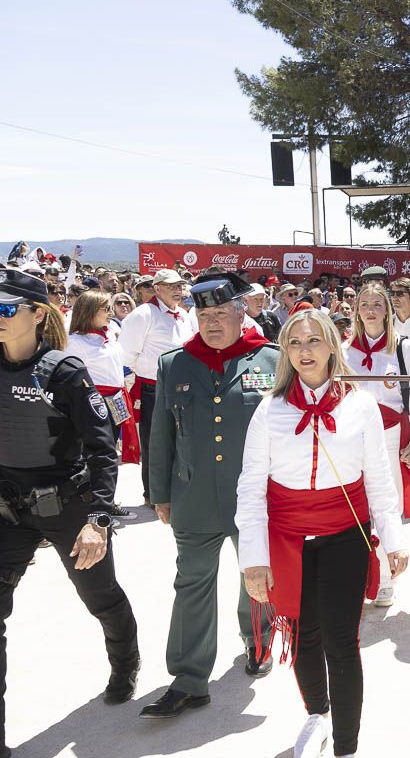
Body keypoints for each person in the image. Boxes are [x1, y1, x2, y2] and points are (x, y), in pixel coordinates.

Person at [0, 269, 139, 757]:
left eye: (7, 309)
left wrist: (98, 521)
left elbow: (102, 449)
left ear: (37, 314)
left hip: (68, 506)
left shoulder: (63, 371)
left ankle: (125, 661)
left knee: (101, 596)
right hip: (6, 510)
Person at [235, 309, 407, 758]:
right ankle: (317, 714)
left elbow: (379, 479)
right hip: (287, 541)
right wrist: (254, 558)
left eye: (313, 341)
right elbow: (251, 488)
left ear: (332, 345)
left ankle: (347, 747)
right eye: (294, 343)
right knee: (302, 633)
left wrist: (394, 538)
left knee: (341, 640)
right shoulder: (268, 410)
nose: (304, 351)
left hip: (344, 535)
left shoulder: (360, 404)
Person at [140, 273, 278, 720]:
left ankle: (257, 641)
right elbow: (160, 434)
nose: (212, 322)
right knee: (191, 583)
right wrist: (159, 492)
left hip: (253, 497)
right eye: (204, 315)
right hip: (192, 495)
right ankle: (188, 679)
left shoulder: (271, 361)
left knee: (254, 576)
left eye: (221, 313)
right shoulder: (174, 364)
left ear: (242, 313)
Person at [345, 282, 410, 608]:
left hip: (390, 433)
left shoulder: (402, 348)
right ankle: (357, 575)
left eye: (377, 304)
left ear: (387, 310)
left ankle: (384, 579)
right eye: (364, 303)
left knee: (386, 507)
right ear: (356, 311)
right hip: (351, 437)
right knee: (355, 507)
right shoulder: (344, 349)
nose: (369, 309)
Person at [117, 268, 196, 503]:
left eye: (180, 286)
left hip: (181, 388)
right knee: (155, 444)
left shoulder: (182, 314)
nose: (178, 290)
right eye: (172, 286)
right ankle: (153, 494)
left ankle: (173, 489)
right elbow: (126, 354)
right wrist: (149, 372)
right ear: (157, 288)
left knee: (179, 440)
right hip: (154, 387)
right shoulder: (144, 314)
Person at [66, 290, 141, 486]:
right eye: (105, 309)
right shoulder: (75, 342)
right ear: (89, 311)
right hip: (95, 402)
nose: (110, 312)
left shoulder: (108, 333)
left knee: (110, 451)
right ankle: (94, 500)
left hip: (116, 398)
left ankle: (107, 499)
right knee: (98, 453)